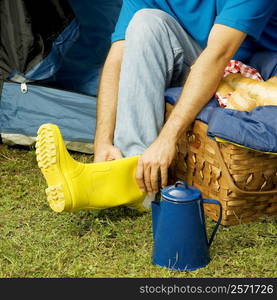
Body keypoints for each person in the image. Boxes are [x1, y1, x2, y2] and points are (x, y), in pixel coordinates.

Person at [93, 0, 277, 196]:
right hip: (202, 63)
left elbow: (219, 54)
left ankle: (134, 185)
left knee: (148, 22)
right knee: (145, 21)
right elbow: (118, 57)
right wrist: (101, 141)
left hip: (258, 72)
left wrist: (167, 139)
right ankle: (132, 169)